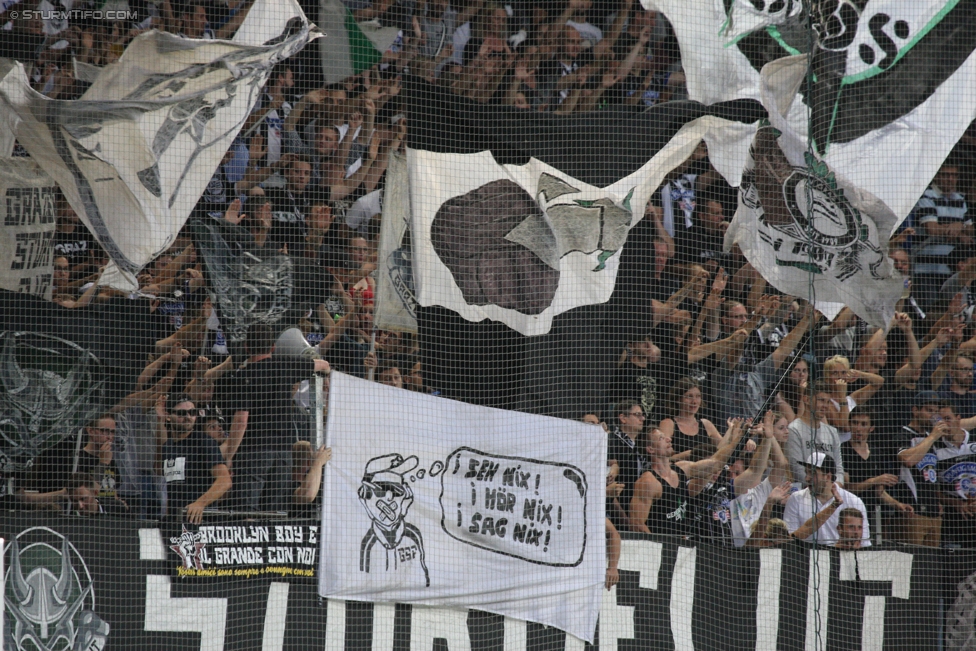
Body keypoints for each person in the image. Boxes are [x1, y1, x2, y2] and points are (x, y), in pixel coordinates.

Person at [220, 323, 332, 511]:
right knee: (274, 511)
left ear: (247, 347)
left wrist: (230, 455)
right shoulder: (286, 365)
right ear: (273, 347)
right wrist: (325, 375)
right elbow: (323, 365)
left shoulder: (243, 376)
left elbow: (241, 420)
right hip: (283, 454)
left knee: (246, 509)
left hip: (253, 451)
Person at [628, 419, 748, 536]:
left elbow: (715, 463)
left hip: (683, 546)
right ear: (650, 449)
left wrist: (739, 438)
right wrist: (657, 548)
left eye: (666, 436)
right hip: (661, 548)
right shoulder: (648, 482)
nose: (669, 439)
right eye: (661, 438)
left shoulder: (681, 468)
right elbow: (636, 524)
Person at [155, 394, 231, 523]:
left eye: (192, 412)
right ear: (168, 416)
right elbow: (160, 472)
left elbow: (225, 480)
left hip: (203, 521)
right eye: (181, 413)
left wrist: (200, 503)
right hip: (176, 520)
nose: (188, 417)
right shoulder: (167, 446)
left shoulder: (203, 442)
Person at [894, 391, 948, 546]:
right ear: (915, 410)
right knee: (914, 561)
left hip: (934, 513)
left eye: (936, 412)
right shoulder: (903, 434)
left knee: (930, 563)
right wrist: (932, 437)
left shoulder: (931, 437)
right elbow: (908, 460)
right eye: (929, 410)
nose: (933, 416)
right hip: (913, 511)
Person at [783, 452, 871, 547]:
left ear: (828, 476)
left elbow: (864, 543)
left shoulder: (854, 502)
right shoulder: (796, 499)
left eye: (813, 473)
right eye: (806, 472)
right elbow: (789, 539)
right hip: (805, 558)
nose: (807, 478)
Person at [785, 381, 845, 489]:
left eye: (828, 402)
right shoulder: (794, 430)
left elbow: (839, 470)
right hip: (806, 493)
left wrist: (835, 488)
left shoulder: (832, 432)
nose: (825, 406)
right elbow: (797, 470)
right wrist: (822, 488)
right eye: (821, 400)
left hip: (831, 492)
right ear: (807, 399)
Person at [658, 377, 722, 460]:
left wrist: (733, 432)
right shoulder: (668, 424)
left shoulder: (706, 424)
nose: (694, 401)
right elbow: (663, 457)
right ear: (678, 399)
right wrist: (690, 454)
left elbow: (722, 448)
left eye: (698, 396)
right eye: (689, 396)